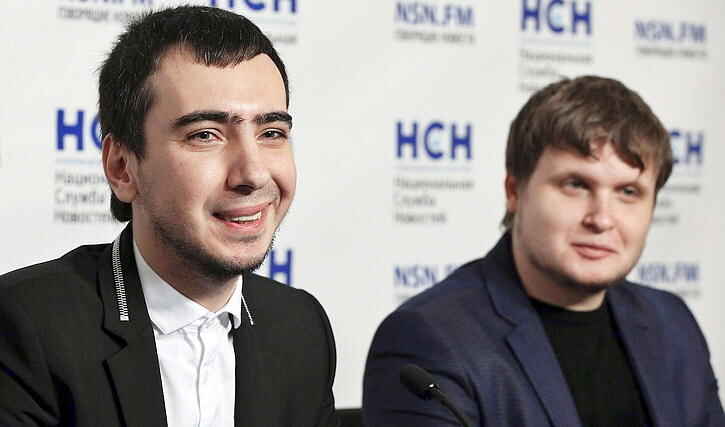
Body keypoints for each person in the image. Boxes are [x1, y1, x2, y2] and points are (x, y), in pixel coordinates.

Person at [0, 6, 339, 427]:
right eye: (205, 135)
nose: (252, 174)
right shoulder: (24, 328)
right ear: (122, 168)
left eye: (271, 133)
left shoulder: (301, 328)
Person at [363, 76, 724, 426]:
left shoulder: (672, 323)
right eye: (576, 185)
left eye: (628, 192)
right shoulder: (430, 340)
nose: (602, 219)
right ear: (514, 191)